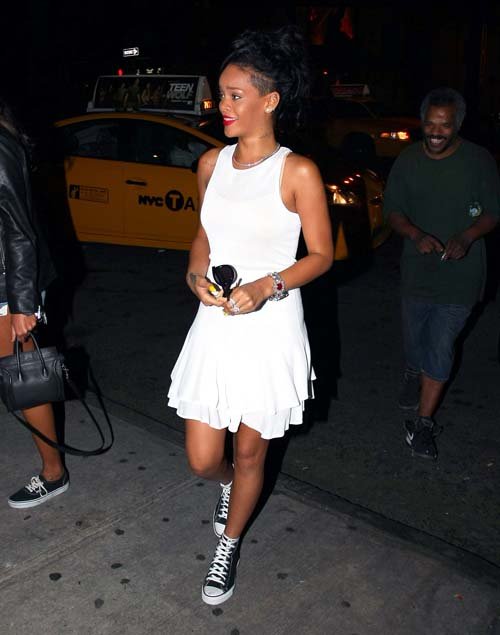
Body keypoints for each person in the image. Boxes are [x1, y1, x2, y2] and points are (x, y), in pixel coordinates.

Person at [168, 26, 333, 605]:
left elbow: (321, 255)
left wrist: (269, 285)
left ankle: (229, 544)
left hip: (270, 325)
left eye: (236, 96)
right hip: (216, 324)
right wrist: (196, 277)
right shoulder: (210, 163)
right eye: (221, 94)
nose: (223, 105)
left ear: (271, 100)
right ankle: (229, 488)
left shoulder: (298, 172)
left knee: (249, 452)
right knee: (203, 459)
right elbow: (204, 236)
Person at [384, 87, 500, 460]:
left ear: (457, 125)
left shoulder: (478, 160)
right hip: (417, 272)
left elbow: (492, 212)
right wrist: (415, 234)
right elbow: (393, 211)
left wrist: (467, 237)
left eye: (444, 125)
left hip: (461, 275)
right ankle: (412, 370)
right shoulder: (407, 160)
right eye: (430, 124)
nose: (436, 132)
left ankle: (422, 424)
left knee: (440, 345)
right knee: (415, 340)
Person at [0, 98, 68, 507]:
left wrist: (22, 303)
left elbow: (17, 228)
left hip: (8, 286)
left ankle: (54, 473)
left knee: (24, 377)